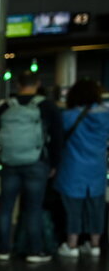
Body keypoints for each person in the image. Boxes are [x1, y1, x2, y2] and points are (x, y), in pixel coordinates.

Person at [0, 71, 63, 262]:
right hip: (36, 163)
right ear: (37, 83)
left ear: (17, 85)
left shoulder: (7, 106)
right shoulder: (46, 106)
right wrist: (55, 164)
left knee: (5, 207)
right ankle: (34, 251)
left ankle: (4, 249)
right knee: (33, 208)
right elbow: (57, 137)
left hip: (9, 163)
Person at [54, 78, 109, 259]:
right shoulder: (106, 114)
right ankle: (94, 245)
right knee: (96, 207)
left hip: (73, 168)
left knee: (73, 208)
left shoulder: (68, 116)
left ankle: (72, 245)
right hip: (97, 169)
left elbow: (57, 138)